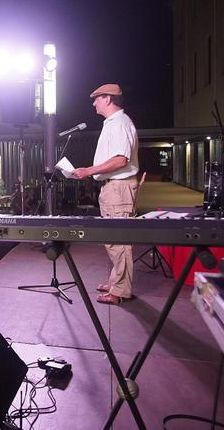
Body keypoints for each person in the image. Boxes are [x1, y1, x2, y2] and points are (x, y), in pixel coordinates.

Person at [72, 83, 140, 306]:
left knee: (119, 241)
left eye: (97, 98)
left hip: (118, 187)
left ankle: (120, 291)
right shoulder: (113, 123)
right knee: (113, 240)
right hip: (112, 187)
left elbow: (121, 159)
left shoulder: (119, 122)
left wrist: (88, 171)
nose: (94, 103)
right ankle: (116, 283)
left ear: (108, 99)